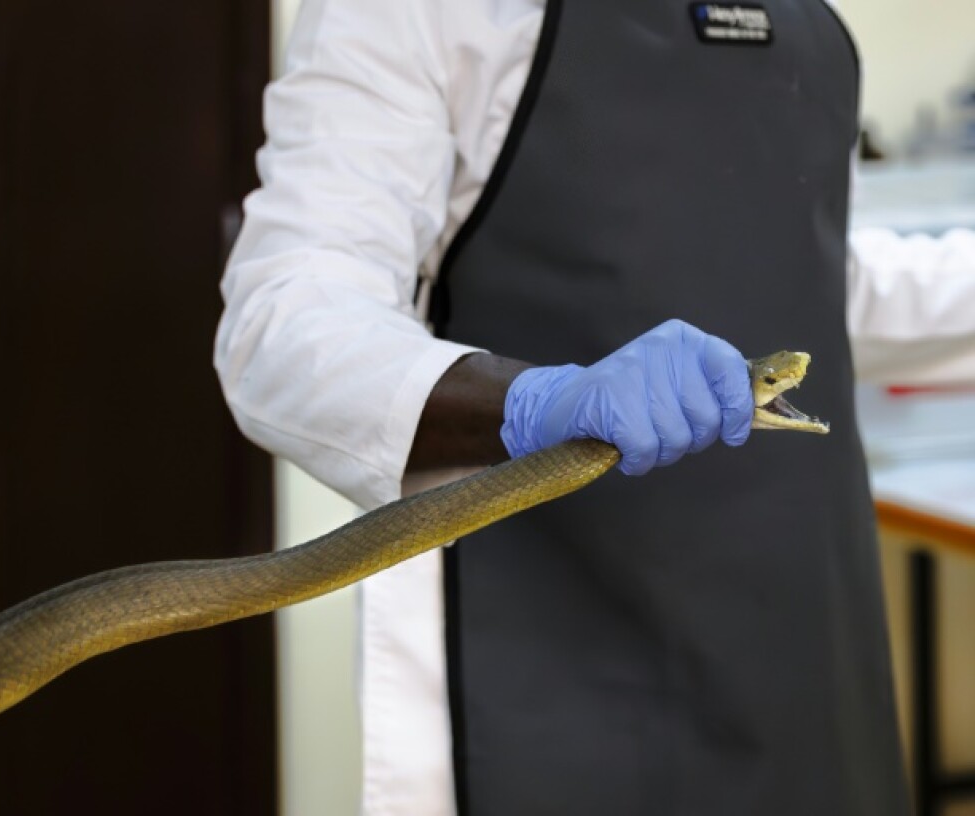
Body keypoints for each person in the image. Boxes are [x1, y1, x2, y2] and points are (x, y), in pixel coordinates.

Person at [215, 1, 975, 813]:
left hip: (807, 653)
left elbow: (816, 273)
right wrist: (535, 401)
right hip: (550, 677)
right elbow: (286, 321)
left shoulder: (805, 24)